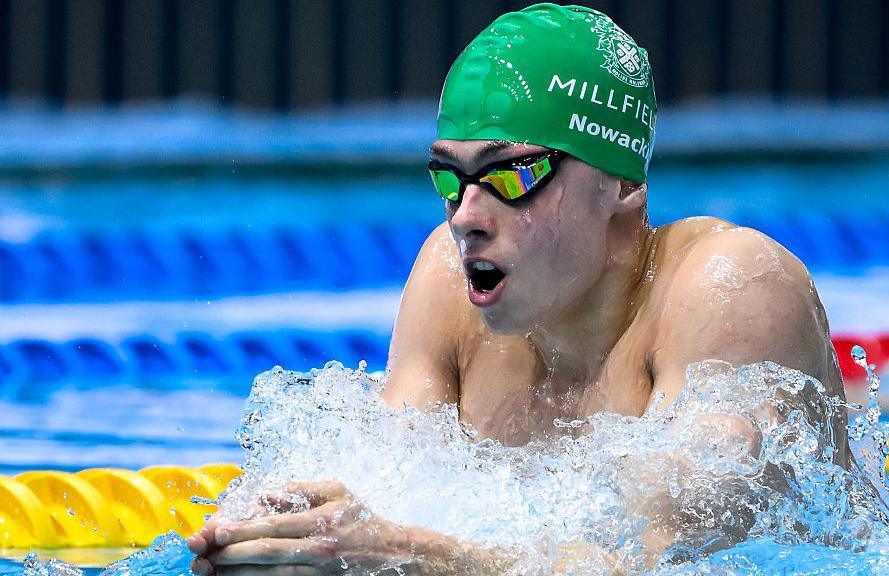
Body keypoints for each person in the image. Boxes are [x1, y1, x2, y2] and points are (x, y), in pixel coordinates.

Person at [188, 4, 847, 574]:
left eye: (513, 174)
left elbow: (661, 564)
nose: (465, 217)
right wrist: (290, 537)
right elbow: (378, 506)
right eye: (450, 178)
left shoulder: (729, 288)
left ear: (621, 182)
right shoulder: (450, 284)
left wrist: (409, 555)